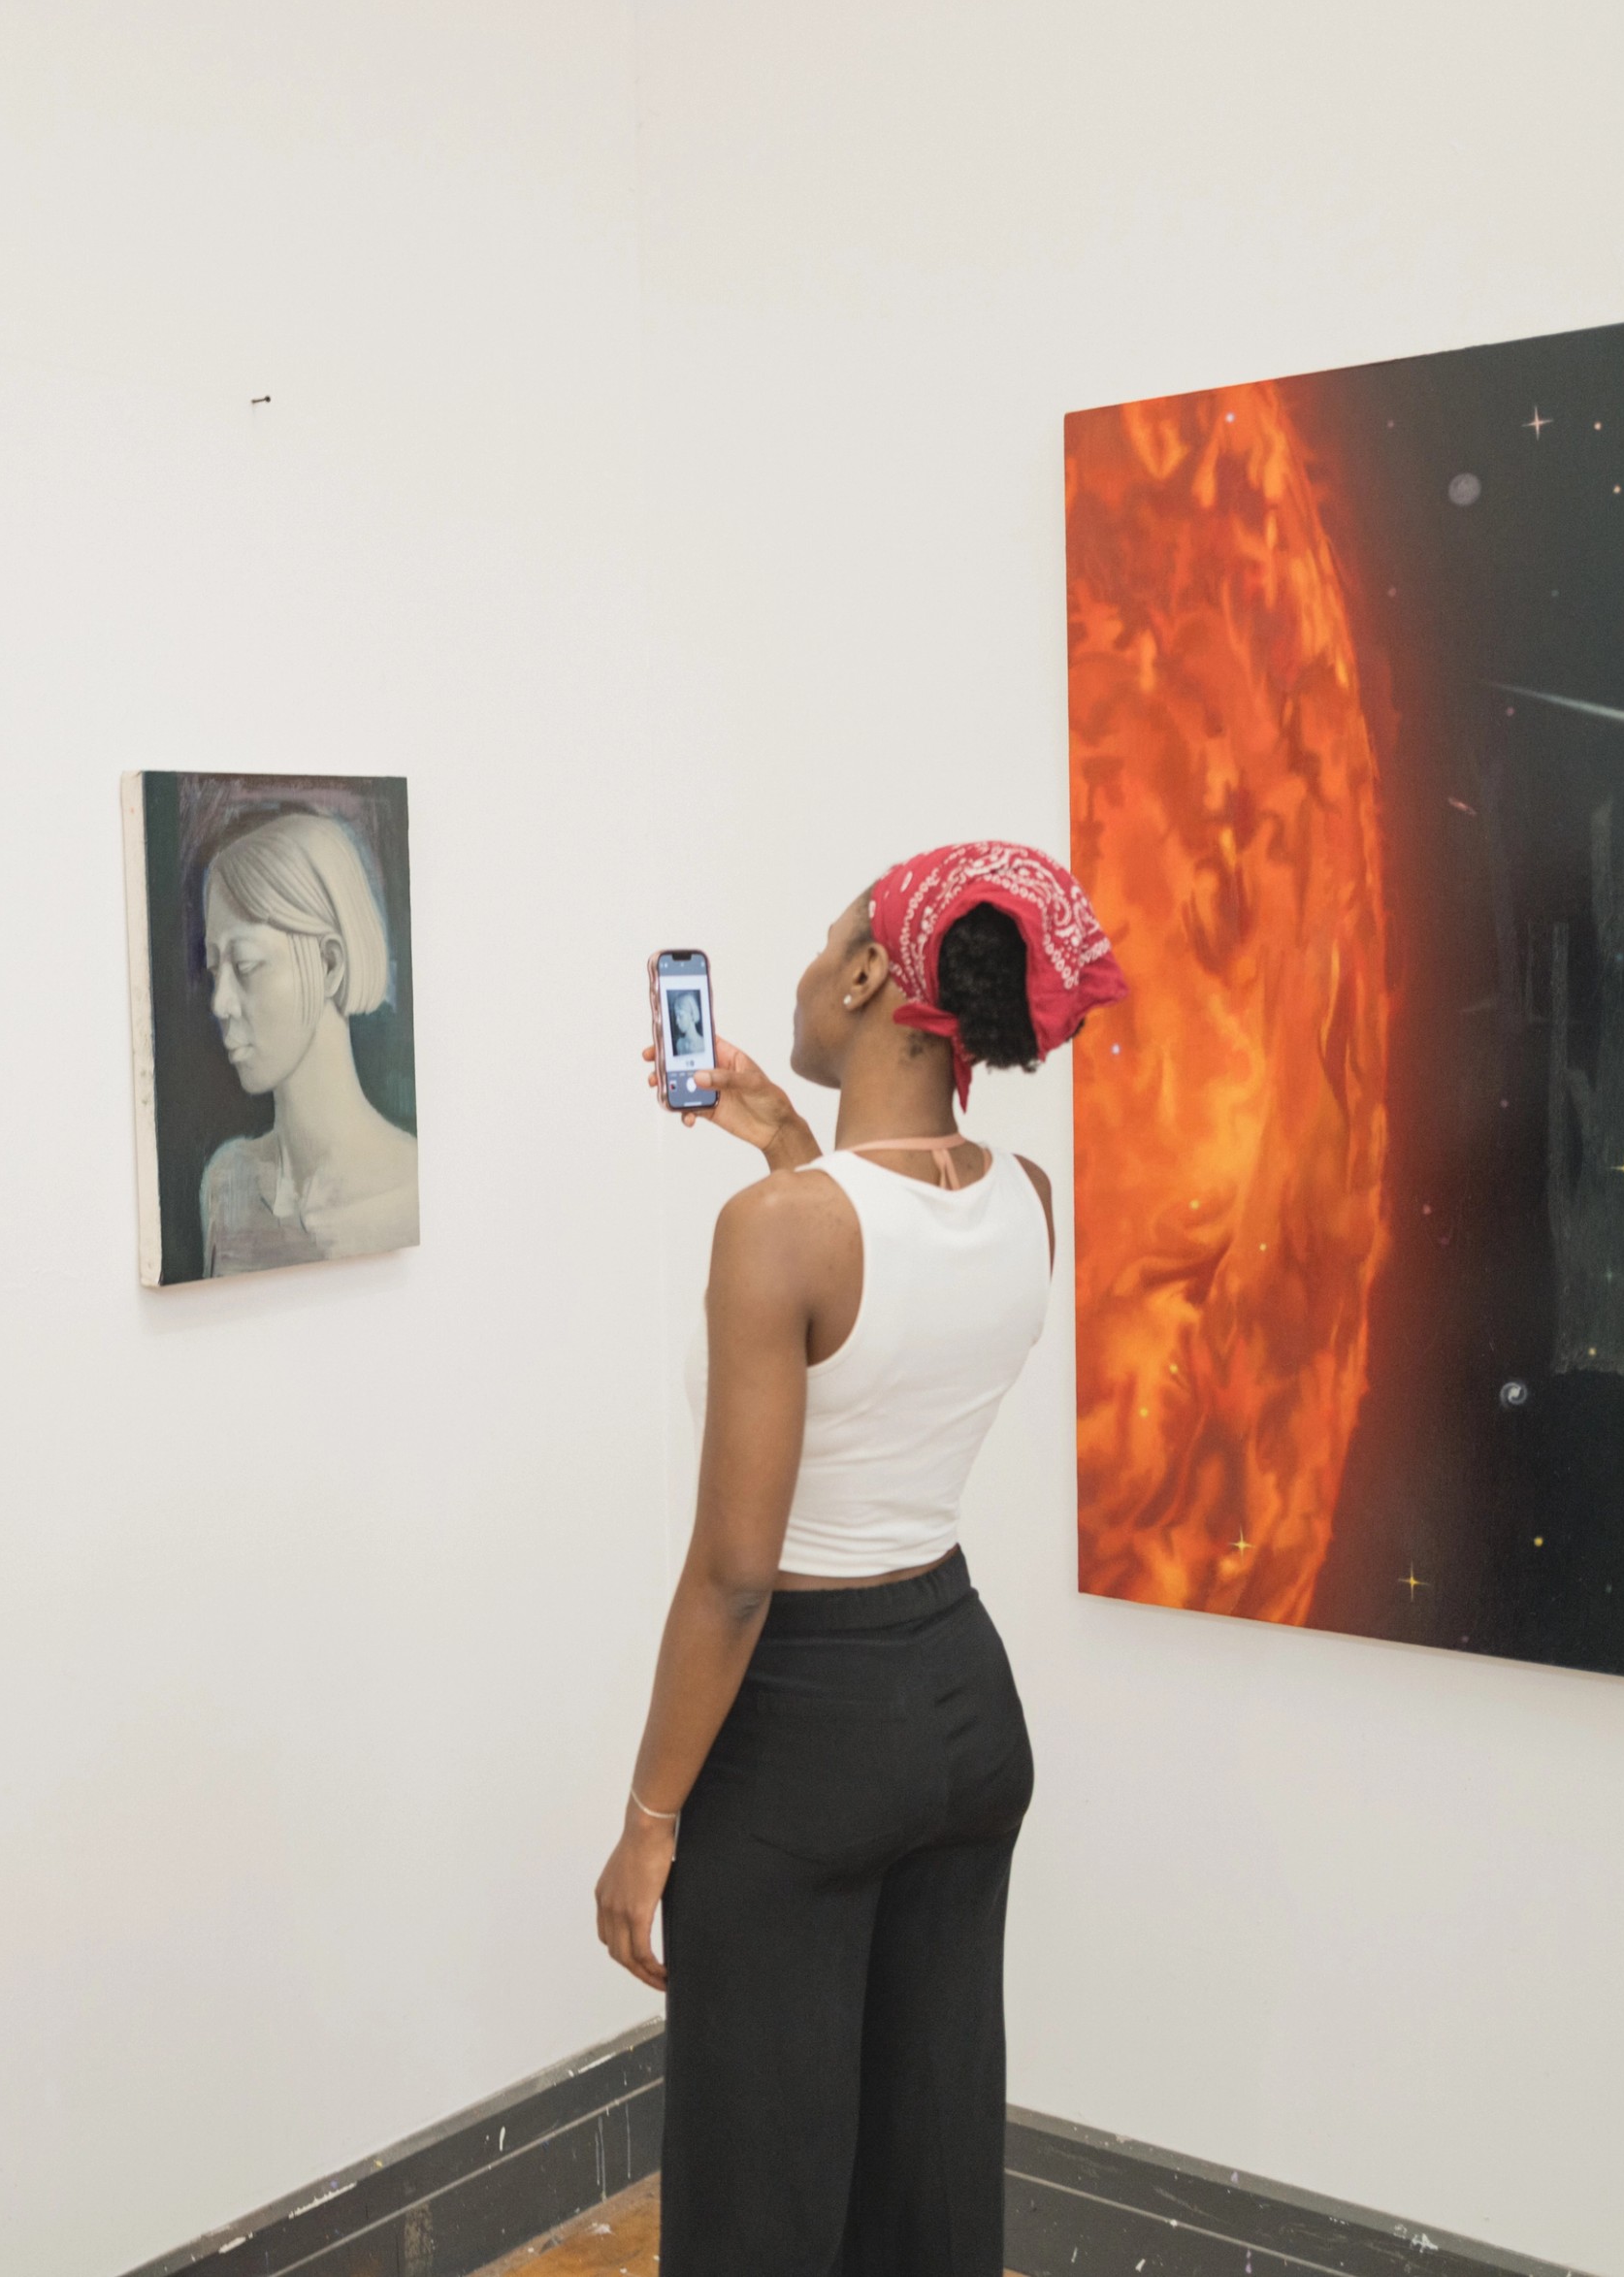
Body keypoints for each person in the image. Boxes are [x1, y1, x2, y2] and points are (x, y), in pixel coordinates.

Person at [595, 841, 1128, 2275]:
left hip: (804, 1731)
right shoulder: (1024, 1193)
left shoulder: (782, 1234)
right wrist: (784, 1137)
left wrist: (651, 1819)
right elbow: (887, 1321)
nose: (802, 972)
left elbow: (735, 1574)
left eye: (825, 940)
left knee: (757, 2186)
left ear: (869, 974)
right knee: (928, 2162)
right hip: (961, 1697)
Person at [194, 807, 419, 1273]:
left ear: (331, 965)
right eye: (216, 969)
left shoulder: (411, 1190)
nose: (220, 1003)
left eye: (247, 966)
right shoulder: (226, 1186)